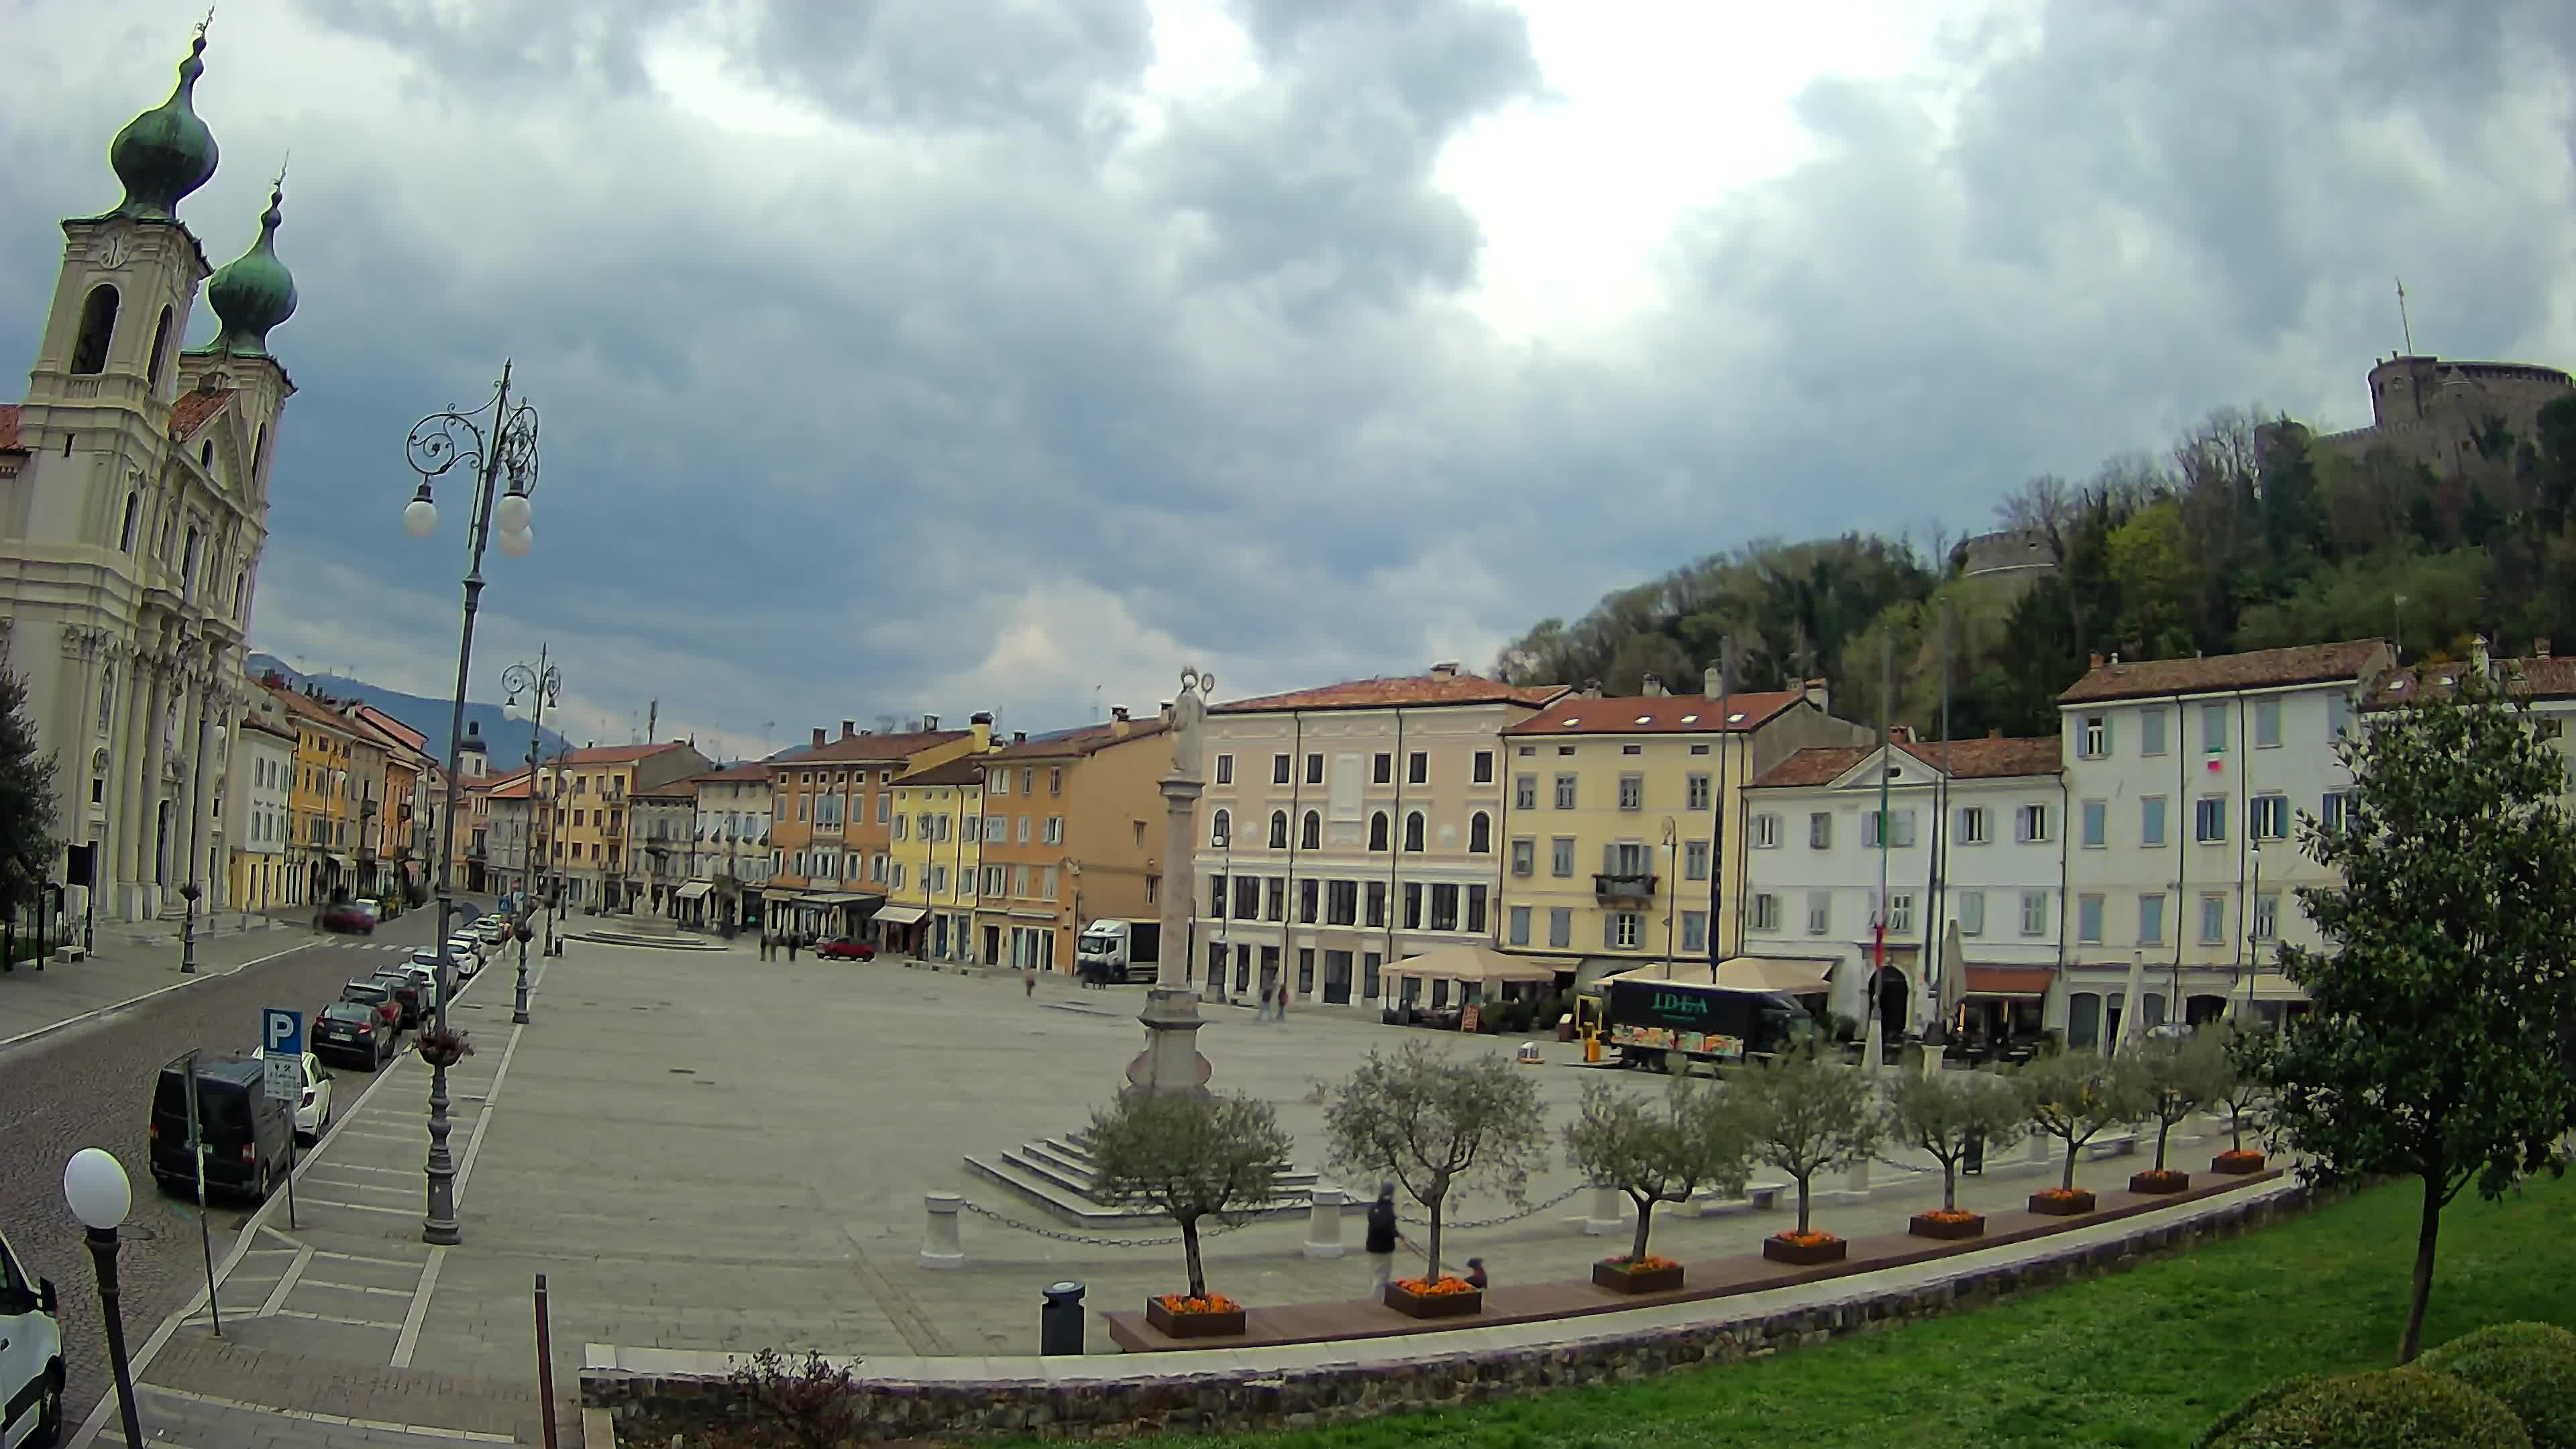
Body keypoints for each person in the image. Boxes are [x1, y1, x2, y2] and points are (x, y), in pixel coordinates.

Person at [1364, 1185, 1399, 1293]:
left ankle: (1374, 1297)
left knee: (1374, 1274)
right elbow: (1387, 1229)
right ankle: (1376, 1301)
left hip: (1372, 1247)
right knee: (1382, 1277)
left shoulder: (1374, 1208)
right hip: (1384, 1248)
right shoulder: (1388, 1210)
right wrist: (1397, 1234)